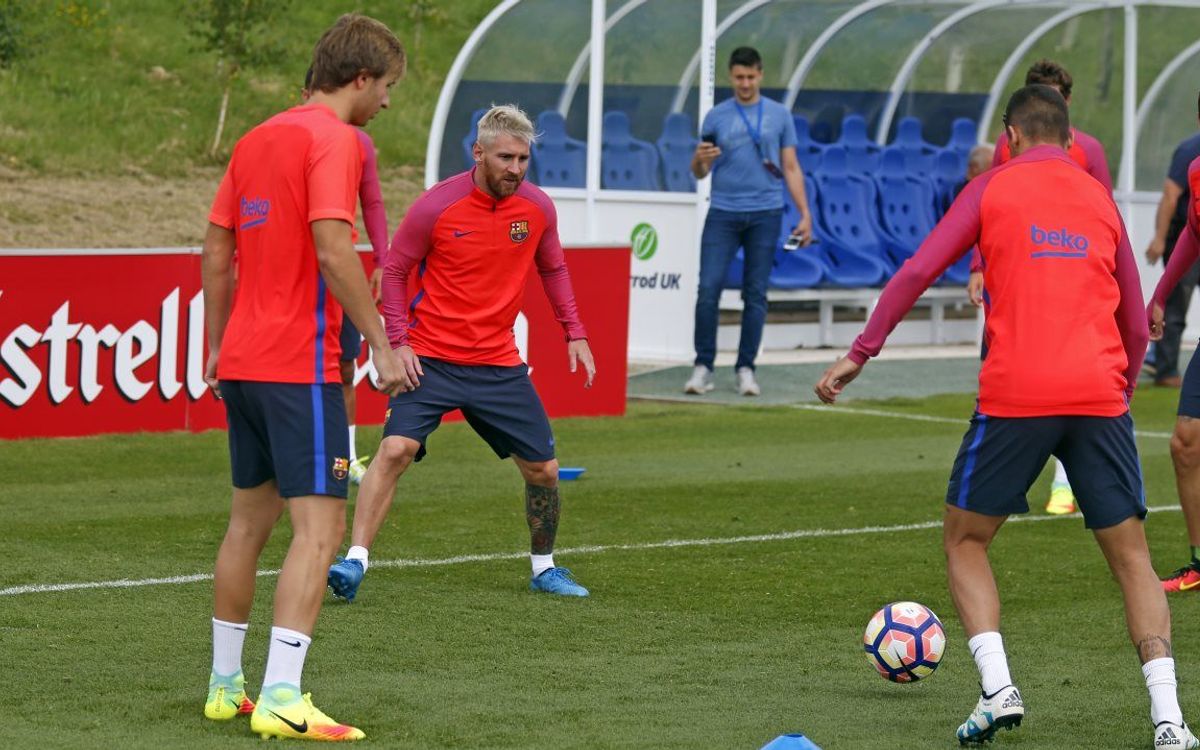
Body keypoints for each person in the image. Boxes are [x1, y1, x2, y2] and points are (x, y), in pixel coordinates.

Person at [816, 85, 1196, 748]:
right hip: (1099, 397)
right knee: (1133, 558)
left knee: (966, 541)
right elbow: (1136, 321)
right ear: (1071, 140)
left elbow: (916, 271)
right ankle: (1170, 720)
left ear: (1011, 136)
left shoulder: (992, 187)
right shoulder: (1099, 199)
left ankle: (999, 689)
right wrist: (1122, 388)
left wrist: (860, 353)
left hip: (1016, 394)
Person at [200, 13, 407, 741]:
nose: (385, 102)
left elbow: (218, 248)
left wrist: (214, 347)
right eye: (385, 87)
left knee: (246, 526)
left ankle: (226, 688)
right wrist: (381, 342)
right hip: (303, 367)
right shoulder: (335, 141)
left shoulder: (256, 138)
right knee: (320, 531)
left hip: (246, 366)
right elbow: (331, 245)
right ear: (359, 79)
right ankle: (283, 695)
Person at [326, 104, 597, 603]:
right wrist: (400, 342)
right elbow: (396, 270)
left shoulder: (537, 208)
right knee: (394, 450)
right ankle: (355, 560)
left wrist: (573, 331)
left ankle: (544, 568)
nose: (515, 168)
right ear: (479, 153)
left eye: (523, 159)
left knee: (544, 471)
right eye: (505, 158)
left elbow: (554, 270)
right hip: (431, 359)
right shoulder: (436, 206)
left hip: (498, 365)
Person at [967, 59, 1111, 518]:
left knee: (1065, 382)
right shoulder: (1007, 151)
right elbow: (983, 205)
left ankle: (1065, 485)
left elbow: (1109, 219)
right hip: (1014, 289)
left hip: (1068, 287)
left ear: (1066, 104)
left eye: (1053, 94)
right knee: (1001, 370)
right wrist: (978, 264)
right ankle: (1006, 475)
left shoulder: (1088, 150)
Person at [685, 46, 813, 398]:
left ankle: (745, 368)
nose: (744, 83)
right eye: (739, 77)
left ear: (760, 75)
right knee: (708, 289)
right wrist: (698, 159)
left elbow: (790, 166)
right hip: (723, 211)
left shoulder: (779, 115)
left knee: (755, 293)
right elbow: (700, 172)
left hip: (766, 213)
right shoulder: (715, 117)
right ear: (731, 76)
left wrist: (805, 213)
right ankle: (703, 366)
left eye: (750, 77)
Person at [303, 66, 391, 485]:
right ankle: (304, 455)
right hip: (297, 274)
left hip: (337, 271)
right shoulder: (290, 138)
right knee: (297, 371)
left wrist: (381, 260)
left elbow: (372, 203)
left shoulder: (359, 143)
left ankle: (347, 456)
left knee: (342, 366)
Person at [1147, 95, 1200, 594]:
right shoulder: (1198, 169)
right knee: (1185, 443)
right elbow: (1193, 234)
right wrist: (1159, 294)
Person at [1146, 95, 1200, 389]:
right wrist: (1159, 237)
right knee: (1177, 307)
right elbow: (1171, 196)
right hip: (1184, 233)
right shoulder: (1192, 158)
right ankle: (1165, 370)